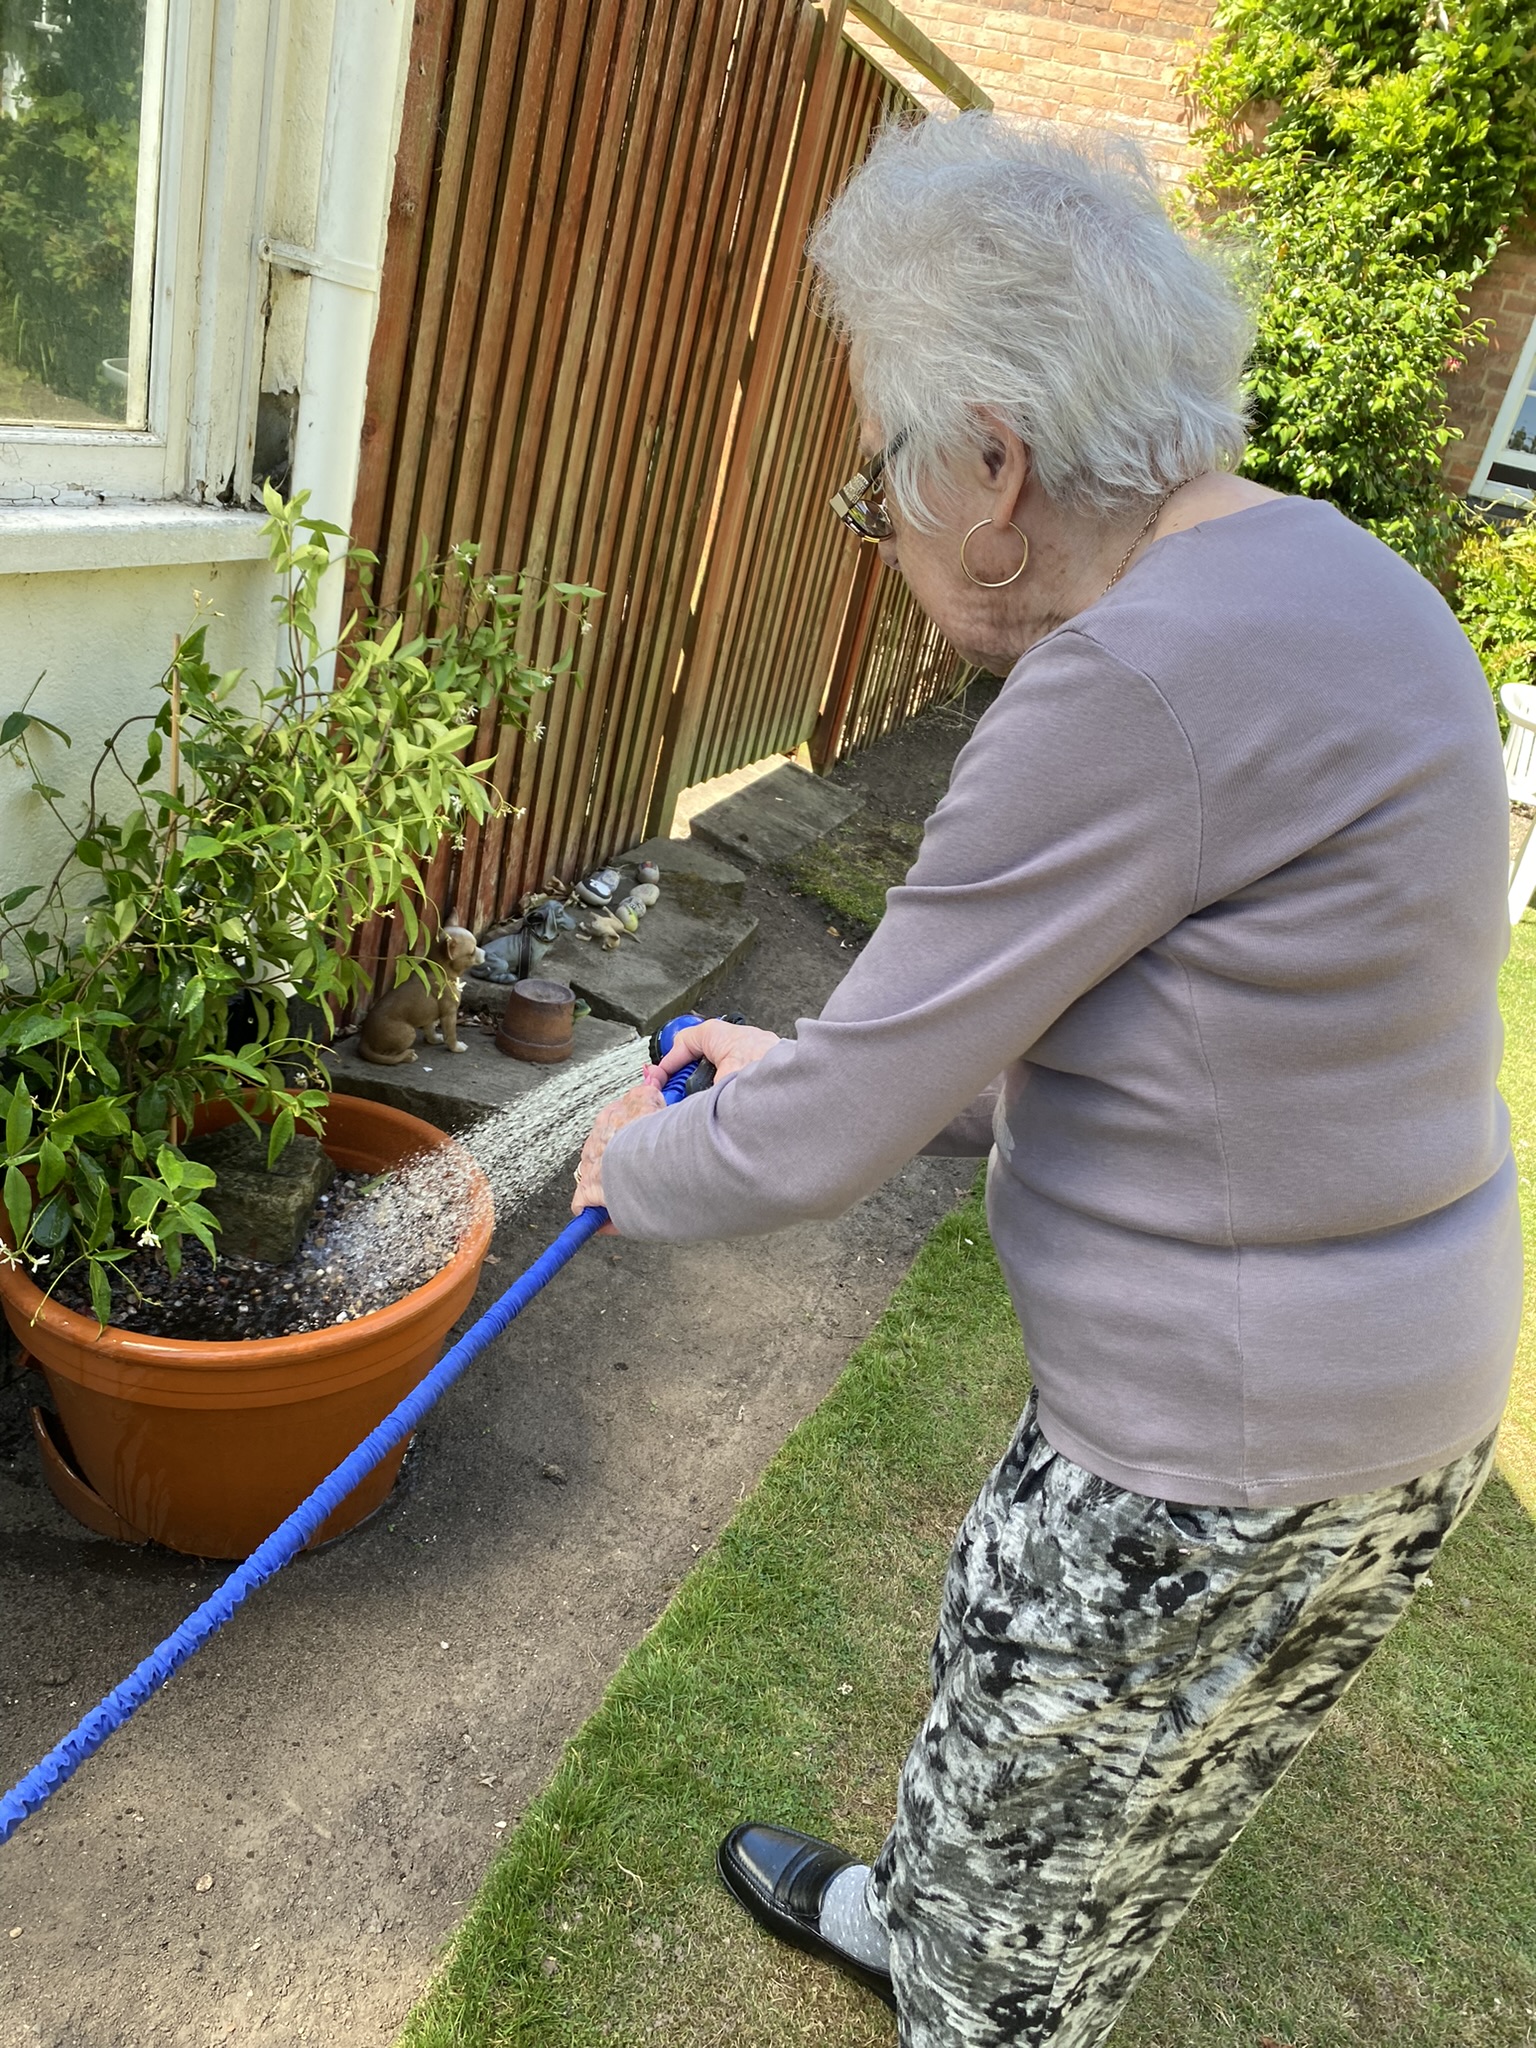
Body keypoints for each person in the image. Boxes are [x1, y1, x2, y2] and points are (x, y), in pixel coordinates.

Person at [571, 114, 1519, 2048]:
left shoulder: (1122, 689)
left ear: (990, 465)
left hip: (1210, 1456)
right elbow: (1224, 1048)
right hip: (1407, 1413)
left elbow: (817, 1147)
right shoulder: (1346, 577)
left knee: (1021, 1925)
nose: (889, 528)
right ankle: (918, 1916)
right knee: (1128, 1817)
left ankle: (965, 1973)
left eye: (882, 486)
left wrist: (627, 1167)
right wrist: (809, 1057)